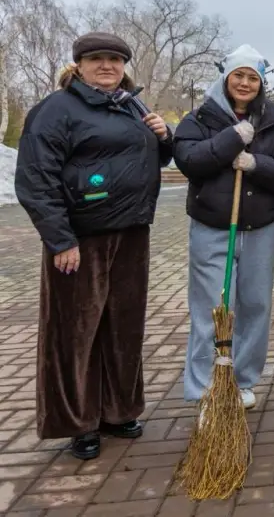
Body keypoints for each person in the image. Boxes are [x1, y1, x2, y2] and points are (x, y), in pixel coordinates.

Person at [14, 32, 172, 460]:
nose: (107, 66)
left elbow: (143, 159)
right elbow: (35, 178)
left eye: (115, 59)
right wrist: (60, 239)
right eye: (97, 59)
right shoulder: (56, 109)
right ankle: (78, 422)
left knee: (123, 327)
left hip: (132, 233)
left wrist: (164, 137)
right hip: (81, 240)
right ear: (80, 65)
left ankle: (118, 411)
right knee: (76, 331)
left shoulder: (131, 105)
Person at [174, 44, 274, 411]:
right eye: (238, 76)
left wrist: (256, 163)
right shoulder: (199, 119)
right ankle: (202, 387)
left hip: (261, 228)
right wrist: (233, 138)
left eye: (253, 77)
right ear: (226, 78)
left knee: (256, 304)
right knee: (211, 307)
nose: (245, 83)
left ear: (261, 83)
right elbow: (190, 161)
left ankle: (243, 380)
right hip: (212, 226)